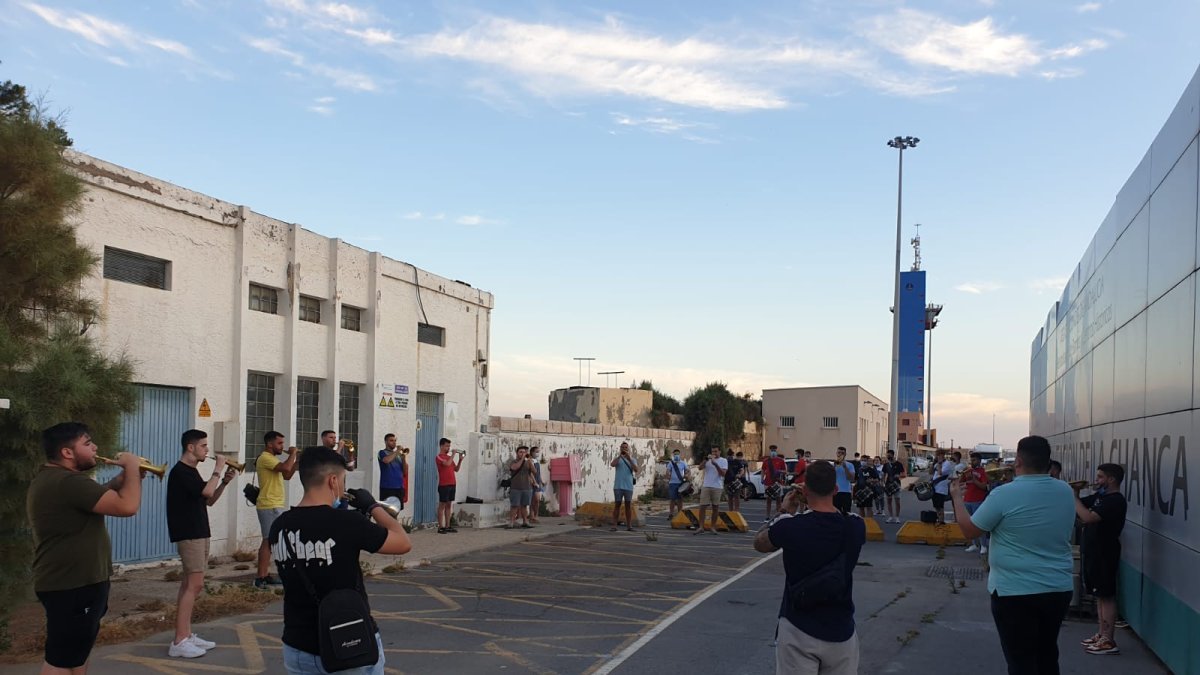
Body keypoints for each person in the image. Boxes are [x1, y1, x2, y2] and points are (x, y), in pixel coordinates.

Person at [269, 447, 412, 674]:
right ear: (333, 481)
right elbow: (403, 542)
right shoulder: (347, 521)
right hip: (349, 643)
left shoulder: (279, 526)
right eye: (343, 480)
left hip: (298, 646)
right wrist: (373, 506)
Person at [28, 423, 150, 674]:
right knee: (60, 661)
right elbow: (127, 507)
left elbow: (91, 501)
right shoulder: (69, 482)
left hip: (74, 582)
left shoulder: (56, 478)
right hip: (73, 584)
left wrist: (118, 482)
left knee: (75, 654)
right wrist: (132, 468)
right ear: (67, 453)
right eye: (87, 443)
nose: (95, 447)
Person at [951, 435, 1074, 675]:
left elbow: (969, 530)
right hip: (1057, 588)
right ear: (1048, 462)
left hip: (1015, 591)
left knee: (1021, 661)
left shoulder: (1004, 494)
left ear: (1018, 461)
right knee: (1047, 655)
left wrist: (957, 498)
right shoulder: (1065, 491)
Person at [754, 461, 866, 675]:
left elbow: (760, 543)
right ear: (835, 489)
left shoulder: (790, 526)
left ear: (804, 490)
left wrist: (785, 510)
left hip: (798, 627)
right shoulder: (855, 526)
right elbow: (837, 517)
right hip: (841, 629)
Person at [166, 429, 237, 658]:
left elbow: (209, 499)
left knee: (189, 584)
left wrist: (224, 482)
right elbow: (207, 489)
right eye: (204, 446)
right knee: (194, 586)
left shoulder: (192, 472)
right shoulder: (181, 472)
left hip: (199, 530)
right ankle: (179, 640)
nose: (207, 450)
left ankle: (185, 634)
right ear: (191, 447)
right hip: (189, 533)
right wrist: (217, 468)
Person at [1075, 463, 1127, 656]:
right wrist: (1076, 494)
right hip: (1094, 551)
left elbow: (1088, 517)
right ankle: (1101, 633)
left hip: (1105, 553)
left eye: (1100, 477)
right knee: (1098, 594)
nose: (1096, 481)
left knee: (1106, 595)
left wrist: (1073, 498)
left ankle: (1109, 639)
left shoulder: (1114, 500)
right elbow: (1083, 507)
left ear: (1111, 479)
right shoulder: (1101, 497)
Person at [256, 431, 298, 589]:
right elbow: (286, 467)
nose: (283, 447)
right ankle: (261, 577)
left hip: (275, 504)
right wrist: (293, 454)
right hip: (269, 504)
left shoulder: (273, 459)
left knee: (272, 540)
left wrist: (297, 461)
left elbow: (287, 475)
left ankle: (265, 574)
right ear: (270, 444)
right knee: (268, 541)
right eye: (279, 443)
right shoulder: (265, 457)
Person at [961, 452, 990, 555]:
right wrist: (963, 474)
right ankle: (974, 544)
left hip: (978, 500)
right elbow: (961, 481)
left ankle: (983, 545)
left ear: (979, 461)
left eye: (974, 460)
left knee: (980, 524)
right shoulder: (969, 471)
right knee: (970, 524)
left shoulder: (982, 472)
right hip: (967, 500)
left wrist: (974, 480)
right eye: (971, 460)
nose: (972, 462)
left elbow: (984, 486)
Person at [695, 447, 727, 535]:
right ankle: (701, 527)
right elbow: (700, 468)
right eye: (713, 451)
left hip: (717, 486)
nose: (714, 453)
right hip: (706, 485)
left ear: (720, 451)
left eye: (716, 451)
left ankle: (712, 527)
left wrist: (715, 464)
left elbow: (723, 474)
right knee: (702, 507)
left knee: (715, 507)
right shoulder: (708, 460)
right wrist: (705, 460)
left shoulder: (723, 461)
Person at [436, 438, 464, 533]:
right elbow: (447, 464)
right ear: (441, 446)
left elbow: (456, 469)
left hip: (452, 483)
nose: (448, 448)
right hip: (444, 484)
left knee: (449, 505)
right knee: (442, 505)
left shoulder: (449, 458)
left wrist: (460, 460)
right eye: (447, 446)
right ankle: (440, 527)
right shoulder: (439, 457)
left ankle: (448, 525)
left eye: (449, 446)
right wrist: (452, 454)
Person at [610, 442, 638, 532]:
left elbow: (636, 469)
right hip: (618, 486)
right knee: (617, 505)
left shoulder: (632, 459)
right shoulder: (618, 459)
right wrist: (620, 456)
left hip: (628, 486)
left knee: (628, 506)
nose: (624, 449)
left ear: (628, 449)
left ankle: (629, 526)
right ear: (620, 448)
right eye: (622, 447)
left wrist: (629, 458)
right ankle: (614, 525)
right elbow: (612, 464)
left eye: (626, 447)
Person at [507, 446, 536, 530]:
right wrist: (522, 459)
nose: (522, 453)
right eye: (520, 452)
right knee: (514, 506)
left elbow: (535, 472)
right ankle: (511, 522)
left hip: (527, 487)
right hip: (515, 487)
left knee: (524, 505)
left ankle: (525, 522)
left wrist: (530, 462)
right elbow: (515, 467)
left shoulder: (528, 462)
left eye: (524, 452)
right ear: (517, 453)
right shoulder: (513, 461)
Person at [376, 433, 406, 509]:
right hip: (387, 487)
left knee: (397, 510)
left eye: (395, 441)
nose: (394, 443)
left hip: (399, 487)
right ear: (386, 442)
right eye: (391, 440)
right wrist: (397, 451)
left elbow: (405, 471)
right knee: (386, 511)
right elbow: (386, 460)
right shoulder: (382, 452)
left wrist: (403, 458)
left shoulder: (398, 455)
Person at [762, 446, 788, 522]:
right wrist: (762, 479)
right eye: (772, 450)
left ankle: (778, 516)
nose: (773, 452)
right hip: (768, 482)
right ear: (770, 451)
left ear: (776, 451)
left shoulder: (780, 460)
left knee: (778, 500)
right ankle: (767, 516)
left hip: (777, 482)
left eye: (774, 450)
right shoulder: (766, 461)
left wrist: (778, 471)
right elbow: (763, 470)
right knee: (768, 500)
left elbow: (785, 471)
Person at [881, 450, 906, 523]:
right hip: (888, 484)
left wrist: (899, 475)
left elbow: (904, 474)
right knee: (889, 501)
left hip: (897, 484)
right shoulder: (886, 465)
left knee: (897, 501)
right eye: (887, 455)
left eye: (889, 455)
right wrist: (882, 483)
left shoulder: (899, 464)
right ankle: (891, 516)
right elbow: (883, 474)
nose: (888, 456)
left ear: (892, 455)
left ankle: (897, 517)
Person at [930, 449, 954, 525]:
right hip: (934, 487)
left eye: (939, 454)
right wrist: (933, 463)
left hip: (941, 488)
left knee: (940, 505)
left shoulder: (947, 464)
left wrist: (939, 465)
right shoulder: (936, 463)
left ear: (943, 455)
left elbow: (940, 473)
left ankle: (941, 521)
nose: (938, 456)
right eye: (936, 455)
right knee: (936, 505)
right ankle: (938, 519)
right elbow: (930, 472)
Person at [666, 449, 690, 519]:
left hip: (680, 483)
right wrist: (668, 475)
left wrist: (687, 475)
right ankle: (671, 514)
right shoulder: (671, 463)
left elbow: (687, 471)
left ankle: (680, 514)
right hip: (672, 483)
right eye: (675, 454)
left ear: (679, 454)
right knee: (672, 499)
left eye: (677, 454)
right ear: (673, 455)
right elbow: (667, 471)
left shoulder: (683, 463)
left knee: (680, 499)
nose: (676, 455)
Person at [832, 447, 855, 515]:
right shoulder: (833, 464)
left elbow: (851, 479)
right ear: (836, 453)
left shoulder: (850, 465)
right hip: (835, 492)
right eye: (839, 452)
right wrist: (834, 467)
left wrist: (845, 467)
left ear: (845, 454)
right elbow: (830, 477)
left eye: (842, 453)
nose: (840, 454)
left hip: (846, 492)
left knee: (847, 513)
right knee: (835, 513)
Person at [529, 446, 544, 523]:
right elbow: (530, 473)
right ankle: (531, 516)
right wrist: (534, 482)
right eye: (536, 452)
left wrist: (541, 481)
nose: (537, 453)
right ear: (532, 452)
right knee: (532, 500)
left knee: (537, 500)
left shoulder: (536, 461)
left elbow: (538, 473)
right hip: (532, 483)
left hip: (538, 482)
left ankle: (536, 515)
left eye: (538, 452)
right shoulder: (530, 461)